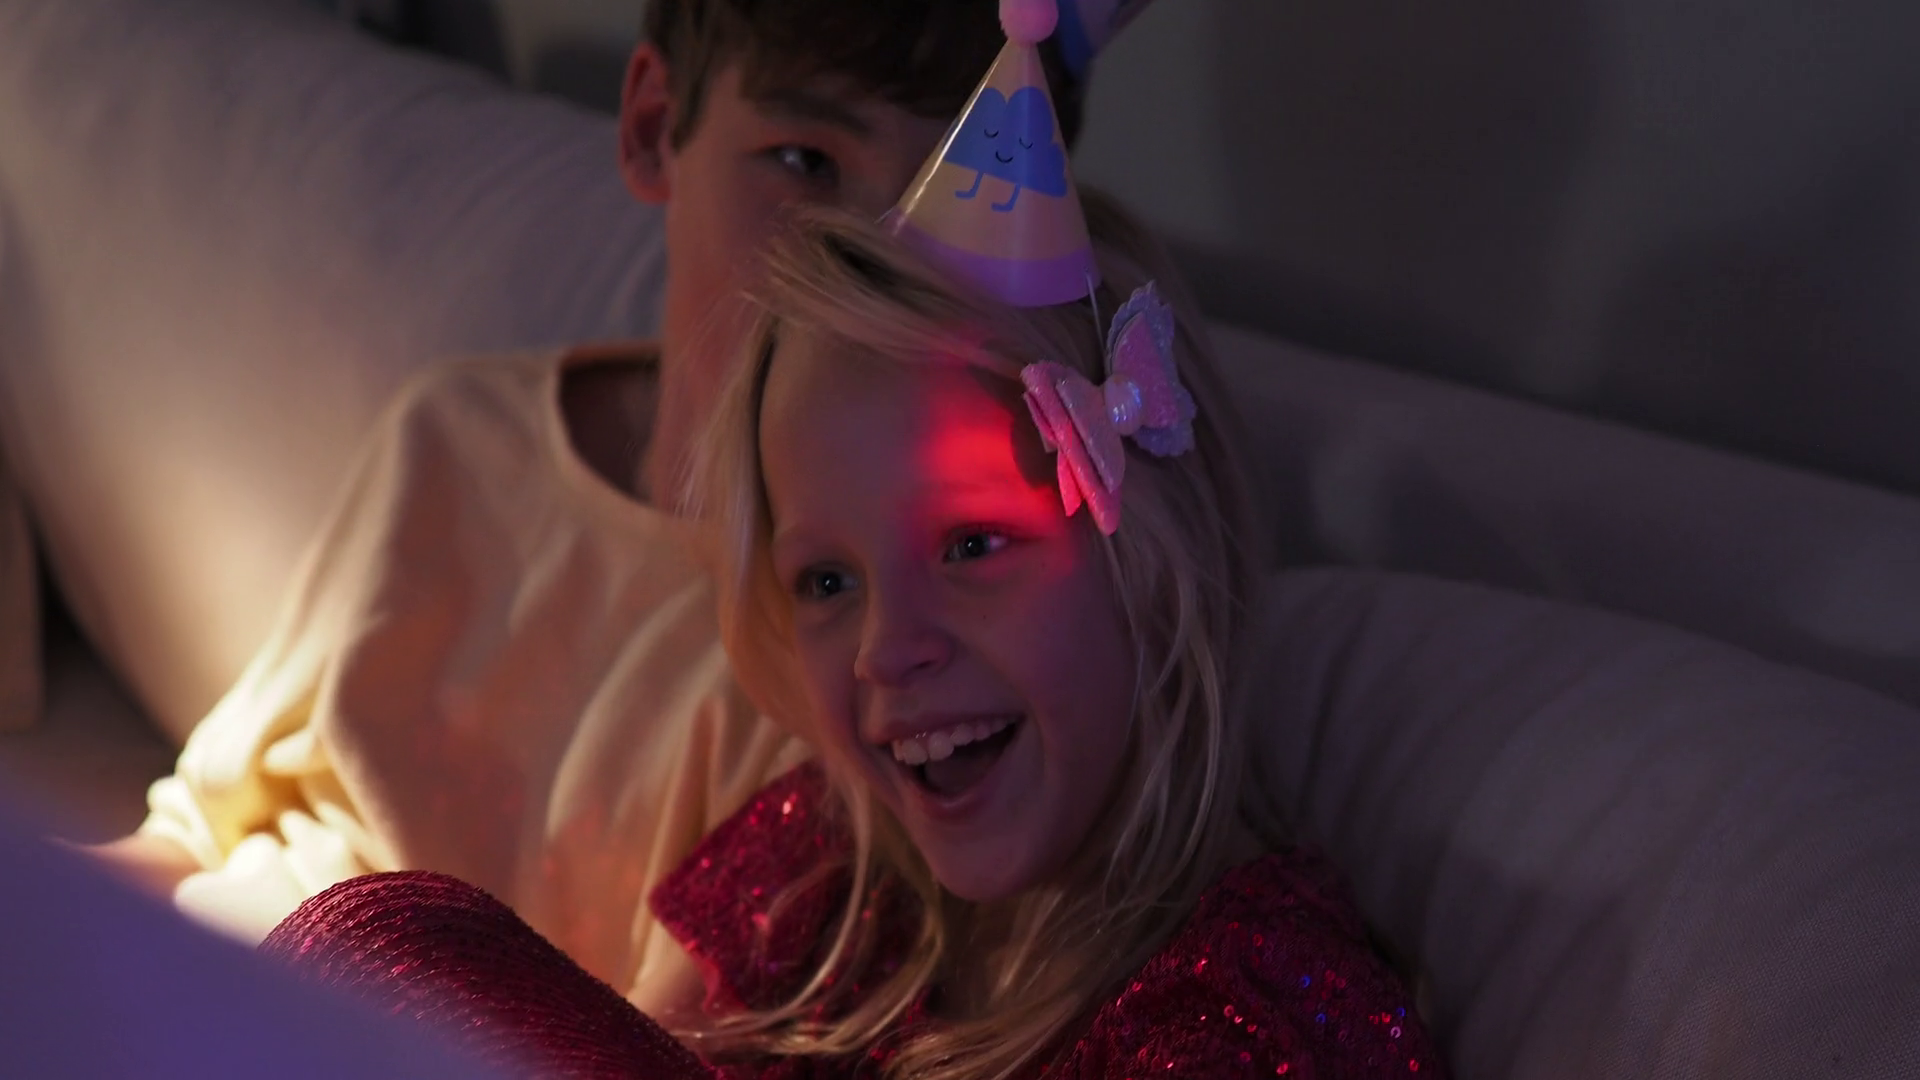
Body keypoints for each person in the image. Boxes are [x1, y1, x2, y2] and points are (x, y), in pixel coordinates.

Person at [260, 11, 1443, 1075]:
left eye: (972, 545)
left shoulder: (1251, 1015)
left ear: (1154, 562)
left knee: (404, 947)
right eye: (827, 579)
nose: (885, 648)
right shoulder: (825, 880)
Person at [87, 0, 1098, 1017]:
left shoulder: (853, 667)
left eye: (933, 197)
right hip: (195, 975)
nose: (864, 252)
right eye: (806, 164)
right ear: (655, 126)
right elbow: (202, 828)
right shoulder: (460, 433)